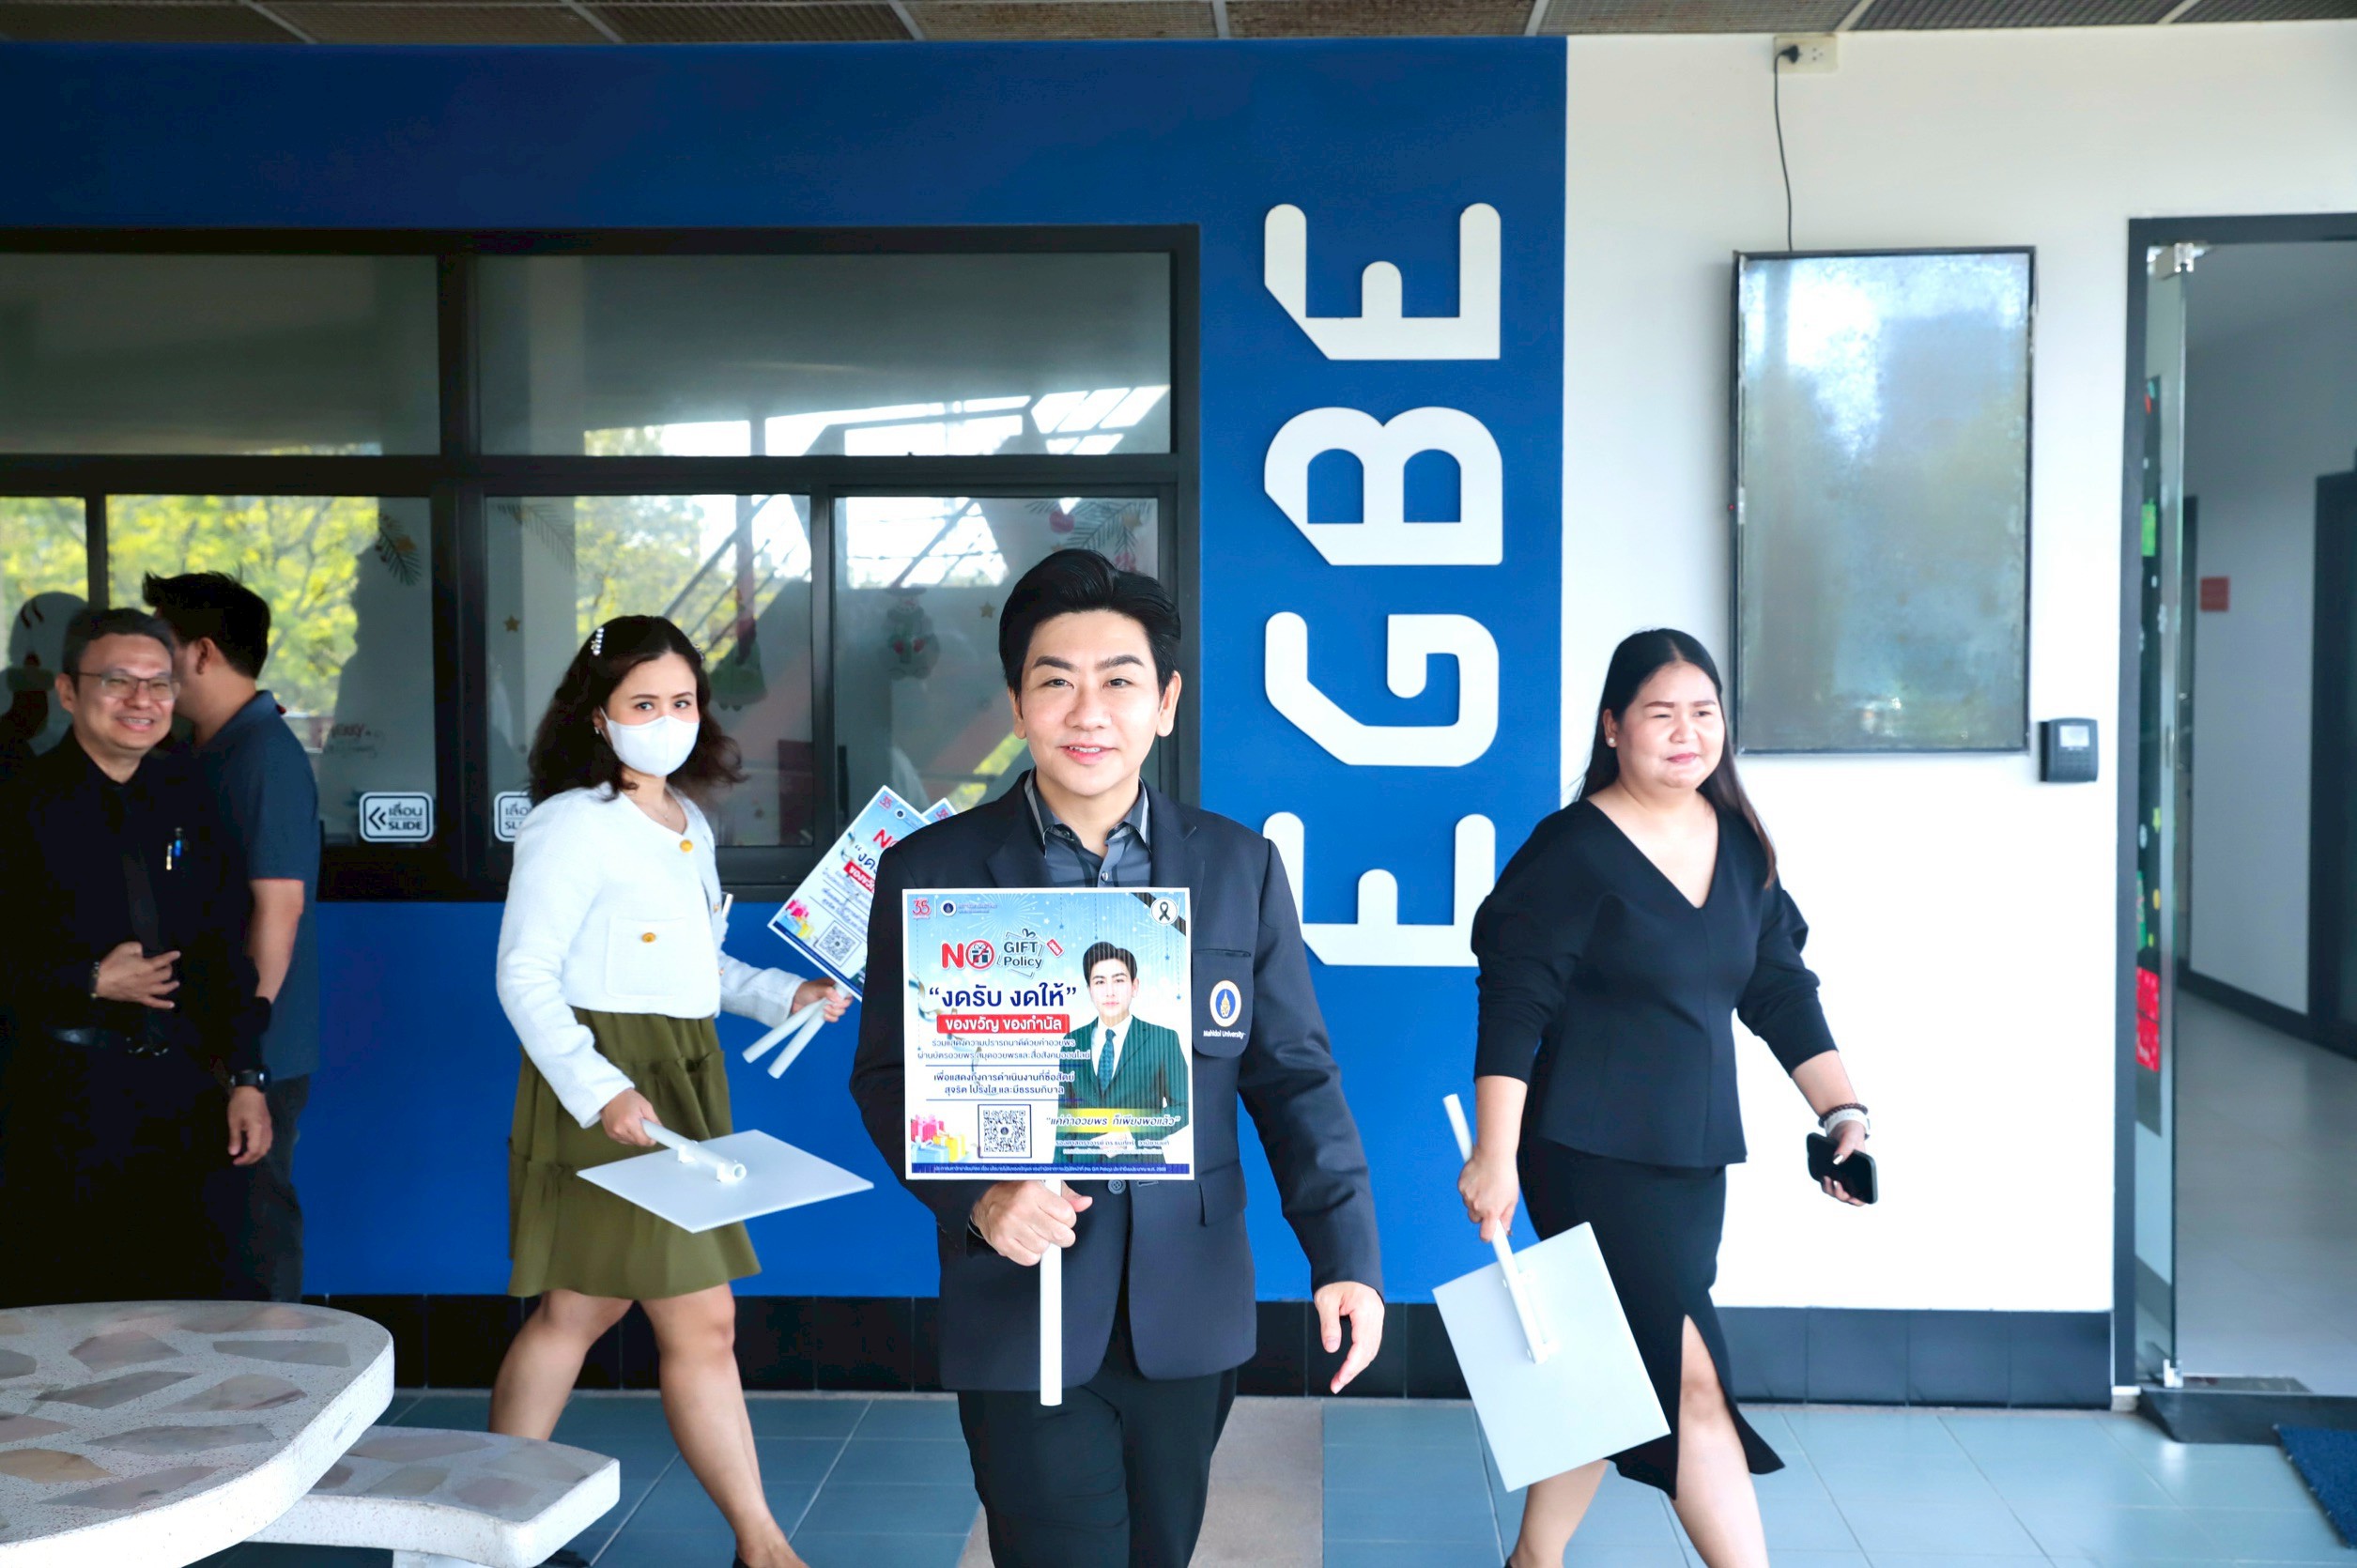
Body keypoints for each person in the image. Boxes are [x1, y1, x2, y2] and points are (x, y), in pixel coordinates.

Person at [849, 549, 1385, 1568]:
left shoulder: (1238, 867)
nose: (1087, 711)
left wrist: (1345, 1255)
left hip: (1189, 1302)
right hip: (1018, 1299)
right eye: (1055, 681)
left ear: (1165, 703)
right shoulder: (933, 871)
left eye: (1119, 680)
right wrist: (979, 1199)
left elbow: (1294, 1078)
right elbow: (886, 1079)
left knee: (1157, 1552)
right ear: (1017, 704)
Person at [1458, 628, 1873, 1568]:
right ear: (1612, 727)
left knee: (1611, 1360)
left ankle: (1533, 1558)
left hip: (1692, 1157)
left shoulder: (1738, 845)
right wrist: (1494, 1151)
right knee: (1689, 1380)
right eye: (1660, 713)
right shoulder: (1570, 850)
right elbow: (1513, 1005)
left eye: (1703, 712)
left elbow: (1778, 987)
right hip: (1587, 1152)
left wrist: (1843, 1113)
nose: (1687, 732)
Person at [489, 614, 849, 1568]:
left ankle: (486, 1526)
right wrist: (598, 1088)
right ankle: (761, 1544)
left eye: (681, 701)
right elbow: (523, 973)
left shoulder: (688, 820)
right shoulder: (570, 822)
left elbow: (699, 967)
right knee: (693, 1317)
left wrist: (784, 994)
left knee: (580, 1309)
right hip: (612, 1093)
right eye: (643, 702)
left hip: (680, 1079)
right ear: (596, 715)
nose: (667, 719)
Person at [0, 607, 272, 1307]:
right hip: (52, 1106)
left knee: (190, 1309)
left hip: (181, 1099)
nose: (141, 700)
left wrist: (247, 1077)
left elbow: (224, 951)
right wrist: (89, 979)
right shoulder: (19, 803)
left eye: (158, 683)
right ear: (68, 692)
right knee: (65, 1320)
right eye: (118, 681)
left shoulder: (190, 797)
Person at [145, 571, 320, 1303]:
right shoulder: (201, 751)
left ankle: (275, 1375)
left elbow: (278, 907)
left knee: (254, 1235)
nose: (149, 668)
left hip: (252, 1052)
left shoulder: (263, 755)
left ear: (203, 652)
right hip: (212, 1040)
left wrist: (248, 1051)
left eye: (161, 645)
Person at [1058, 940, 1189, 1166]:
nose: (1109, 991)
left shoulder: (1163, 1039)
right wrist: (1058, 1174)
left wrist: (1130, 1135)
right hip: (1082, 1170)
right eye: (1100, 982)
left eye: (1119, 980)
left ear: (1134, 986)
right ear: (1089, 990)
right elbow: (1065, 1116)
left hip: (1143, 1169)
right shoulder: (1072, 1041)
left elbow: (1184, 1108)